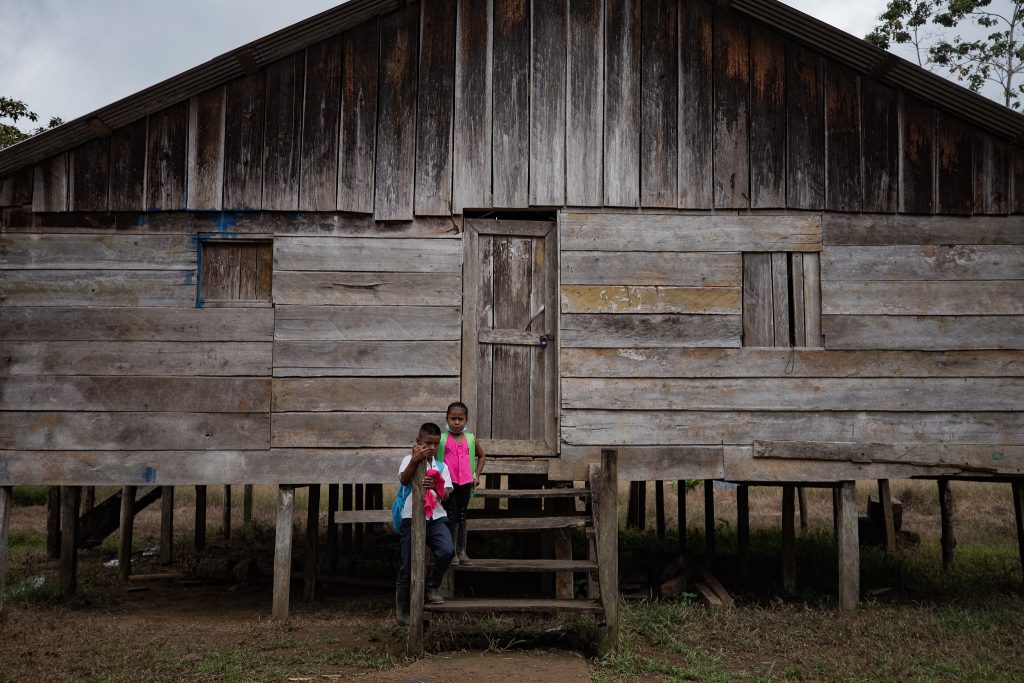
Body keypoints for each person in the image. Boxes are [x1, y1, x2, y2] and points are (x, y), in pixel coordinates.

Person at [395, 422, 454, 626]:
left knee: (447, 551)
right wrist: (415, 460)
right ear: (418, 442)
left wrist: (437, 485)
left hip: (436, 517)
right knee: (408, 563)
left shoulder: (442, 466)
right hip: (411, 517)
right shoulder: (407, 460)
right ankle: (403, 609)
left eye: (436, 444)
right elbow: (404, 480)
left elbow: (446, 495)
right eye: (428, 443)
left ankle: (431, 586)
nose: (432, 448)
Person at [437, 401, 486, 566]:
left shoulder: (470, 438)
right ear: (447, 419)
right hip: (448, 485)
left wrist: (477, 475)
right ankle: (451, 553)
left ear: (466, 420)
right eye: (453, 418)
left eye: (460, 419)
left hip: (466, 483)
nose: (456, 422)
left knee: (462, 515)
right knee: (451, 515)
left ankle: (462, 551)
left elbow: (482, 456)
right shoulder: (442, 439)